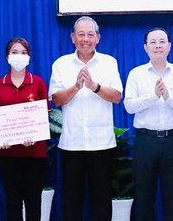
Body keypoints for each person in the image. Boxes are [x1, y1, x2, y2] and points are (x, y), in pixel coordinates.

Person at [49, 16, 123, 221]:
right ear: (73, 38)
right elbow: (56, 99)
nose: (86, 39)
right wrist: (75, 87)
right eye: (81, 34)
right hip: (72, 145)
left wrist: (93, 86)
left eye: (91, 34)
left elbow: (117, 96)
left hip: (102, 145)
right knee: (71, 203)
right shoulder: (61, 64)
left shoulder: (109, 62)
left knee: (102, 202)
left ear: (98, 38)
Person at [123, 28, 173, 221]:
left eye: (162, 41)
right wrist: (153, 96)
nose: (157, 46)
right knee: (144, 197)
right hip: (145, 141)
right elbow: (129, 106)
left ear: (169, 46)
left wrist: (168, 97)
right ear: (145, 47)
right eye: (152, 42)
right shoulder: (136, 74)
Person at [0, 37, 49, 221]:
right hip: (7, 154)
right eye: (14, 52)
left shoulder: (38, 83)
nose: (19, 56)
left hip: (34, 153)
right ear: (7, 56)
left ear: (29, 57)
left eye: (23, 53)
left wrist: (34, 134)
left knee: (33, 202)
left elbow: (43, 116)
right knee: (12, 202)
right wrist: (1, 138)